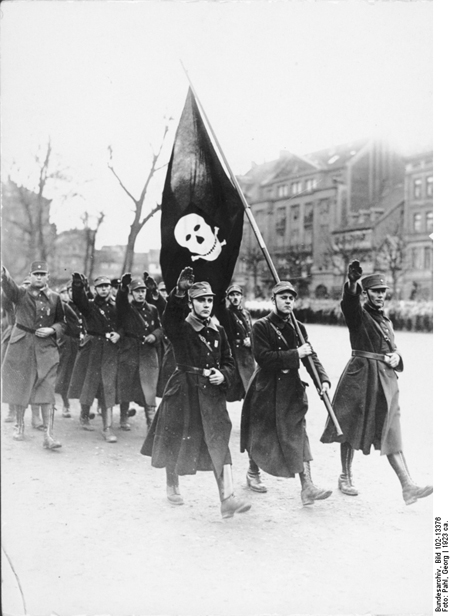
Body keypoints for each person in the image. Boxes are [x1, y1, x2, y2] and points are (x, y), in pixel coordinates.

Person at [141, 267, 251, 519]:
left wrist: (223, 374)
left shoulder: (218, 330)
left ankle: (228, 498)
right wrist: (179, 292)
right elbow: (169, 319)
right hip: (184, 390)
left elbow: (230, 363)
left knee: (219, 439)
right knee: (175, 437)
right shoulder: (181, 328)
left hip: (211, 393)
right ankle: (172, 483)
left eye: (210, 300)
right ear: (192, 303)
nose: (206, 304)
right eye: (201, 300)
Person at [320, 261, 433, 506]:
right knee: (349, 425)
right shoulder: (359, 315)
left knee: (391, 429)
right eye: (375, 292)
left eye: (383, 292)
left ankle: (407, 485)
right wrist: (351, 284)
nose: (380, 296)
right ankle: (345, 476)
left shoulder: (387, 321)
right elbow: (349, 303)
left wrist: (397, 357)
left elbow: (391, 348)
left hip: (384, 379)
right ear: (366, 294)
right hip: (360, 376)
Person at [241, 281, 332, 507]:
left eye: (291, 298)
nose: (288, 301)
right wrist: (295, 353)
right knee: (261, 432)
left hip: (291, 389)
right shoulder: (260, 326)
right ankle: (253, 472)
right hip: (266, 387)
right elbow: (263, 358)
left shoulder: (298, 327)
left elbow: (310, 356)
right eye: (283, 297)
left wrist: (323, 380)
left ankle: (307, 486)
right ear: (273, 301)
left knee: (298, 433)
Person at [1, 261, 66, 449]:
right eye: (35, 274)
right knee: (22, 386)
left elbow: (63, 322)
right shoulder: (21, 294)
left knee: (47, 389)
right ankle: (19, 425)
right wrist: (3, 273)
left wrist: (52, 329)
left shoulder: (55, 298)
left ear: (48, 277)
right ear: (30, 276)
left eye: (42, 274)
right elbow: (9, 287)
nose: (39, 277)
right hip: (22, 345)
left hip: (46, 348)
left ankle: (49, 435)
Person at [216, 284, 266, 493]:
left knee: (251, 396)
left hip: (247, 360)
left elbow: (251, 331)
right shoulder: (226, 315)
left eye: (238, 295)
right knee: (222, 394)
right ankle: (217, 426)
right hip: (233, 361)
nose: (235, 298)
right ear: (227, 298)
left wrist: (251, 340)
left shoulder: (245, 313)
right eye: (232, 295)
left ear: (242, 297)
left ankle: (251, 425)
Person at [68, 274, 120, 442]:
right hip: (93, 347)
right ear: (95, 289)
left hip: (110, 348)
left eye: (106, 286)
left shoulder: (116, 306)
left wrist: (119, 334)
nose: (104, 289)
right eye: (100, 286)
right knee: (89, 382)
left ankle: (107, 428)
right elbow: (79, 299)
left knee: (108, 384)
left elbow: (124, 324)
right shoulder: (89, 306)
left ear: (110, 288)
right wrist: (77, 285)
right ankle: (84, 415)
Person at [116, 275, 163, 430]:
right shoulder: (126, 309)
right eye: (137, 291)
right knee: (126, 384)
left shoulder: (153, 309)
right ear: (132, 293)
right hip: (129, 350)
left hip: (148, 352)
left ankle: (151, 423)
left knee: (149, 387)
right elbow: (120, 300)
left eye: (143, 291)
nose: (140, 294)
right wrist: (123, 288)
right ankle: (123, 418)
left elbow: (161, 328)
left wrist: (154, 336)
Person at [55, 282, 87, 418]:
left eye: (69, 292)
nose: (67, 294)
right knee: (65, 374)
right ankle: (66, 405)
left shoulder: (83, 306)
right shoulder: (62, 307)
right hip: (68, 342)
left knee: (83, 373)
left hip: (82, 342)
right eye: (65, 292)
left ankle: (84, 409)